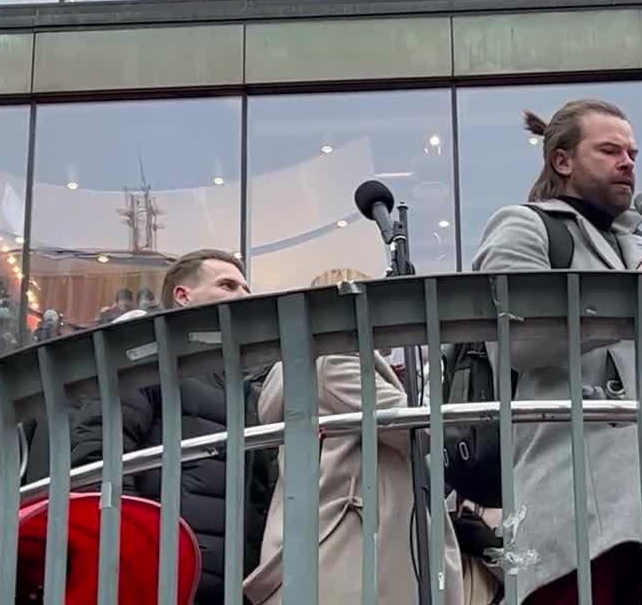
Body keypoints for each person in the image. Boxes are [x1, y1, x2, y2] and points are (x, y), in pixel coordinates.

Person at [471, 99, 642, 605]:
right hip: (578, 520)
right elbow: (520, 342)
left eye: (632, 152)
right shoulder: (524, 227)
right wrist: (630, 299)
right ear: (562, 161)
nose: (627, 161)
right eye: (608, 150)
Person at [244, 269, 465, 605]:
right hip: (352, 542)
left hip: (330, 540)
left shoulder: (304, 365)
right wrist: (438, 373)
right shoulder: (335, 359)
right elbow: (417, 433)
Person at [71, 249, 276, 605]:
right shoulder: (145, 358)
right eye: (228, 285)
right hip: (157, 580)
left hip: (235, 588)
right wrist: (138, 553)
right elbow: (98, 457)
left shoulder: (247, 387)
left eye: (246, 288)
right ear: (183, 296)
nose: (243, 296)